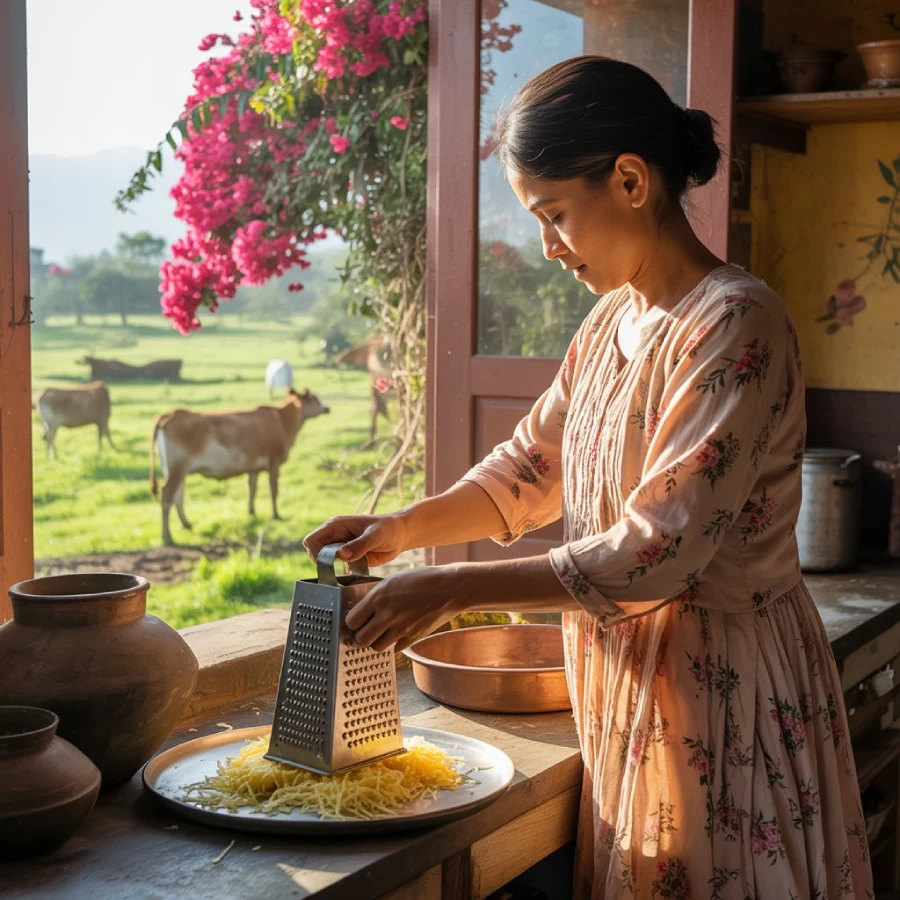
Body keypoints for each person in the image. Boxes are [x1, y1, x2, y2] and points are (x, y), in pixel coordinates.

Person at [304, 56, 873, 899]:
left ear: (632, 180)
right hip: (628, 681)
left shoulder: (735, 323)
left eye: (555, 214)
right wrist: (403, 531)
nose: (548, 249)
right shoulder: (611, 323)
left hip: (722, 688)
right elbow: (533, 466)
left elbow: (660, 550)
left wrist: (452, 589)